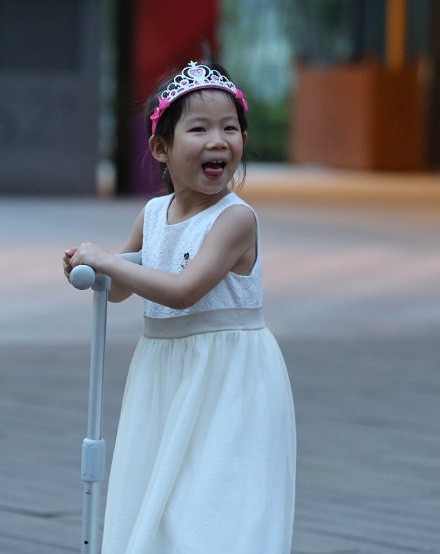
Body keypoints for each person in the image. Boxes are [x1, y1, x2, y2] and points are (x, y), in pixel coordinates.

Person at [63, 58, 296, 554]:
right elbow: (124, 288)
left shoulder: (235, 220)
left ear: (243, 140)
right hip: (164, 369)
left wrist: (108, 260)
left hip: (226, 374)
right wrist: (97, 272)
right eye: (199, 128)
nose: (218, 141)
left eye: (229, 128)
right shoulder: (153, 214)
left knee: (214, 497)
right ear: (161, 148)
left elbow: (183, 290)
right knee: (161, 490)